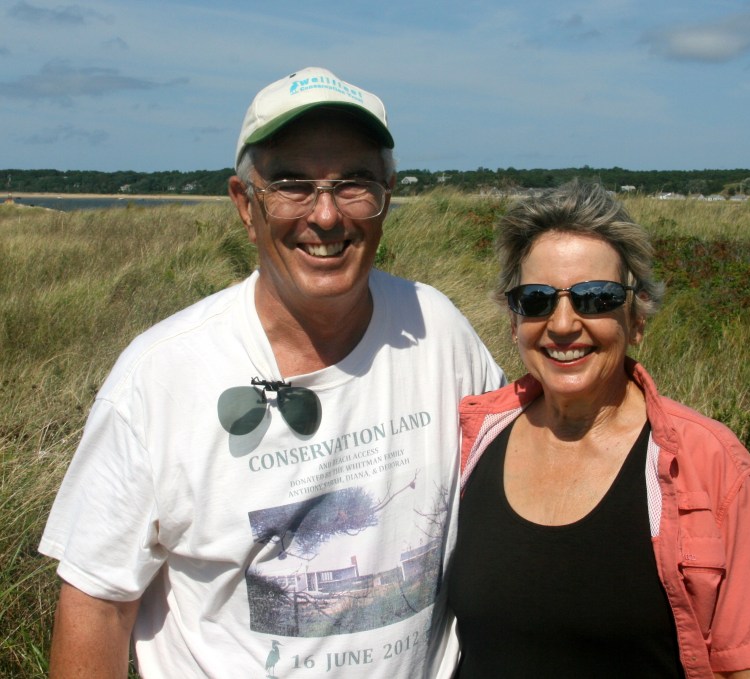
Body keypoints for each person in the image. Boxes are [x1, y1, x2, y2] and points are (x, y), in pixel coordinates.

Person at [39, 66, 504, 678]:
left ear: (387, 196)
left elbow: (521, 485)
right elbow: (97, 604)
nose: (327, 215)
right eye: (292, 186)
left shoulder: (439, 331)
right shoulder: (160, 376)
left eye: (355, 184)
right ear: (245, 204)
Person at [448, 181, 750, 679]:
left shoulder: (707, 462)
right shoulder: (471, 440)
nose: (563, 324)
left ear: (636, 318)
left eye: (596, 298)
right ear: (514, 323)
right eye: (535, 300)